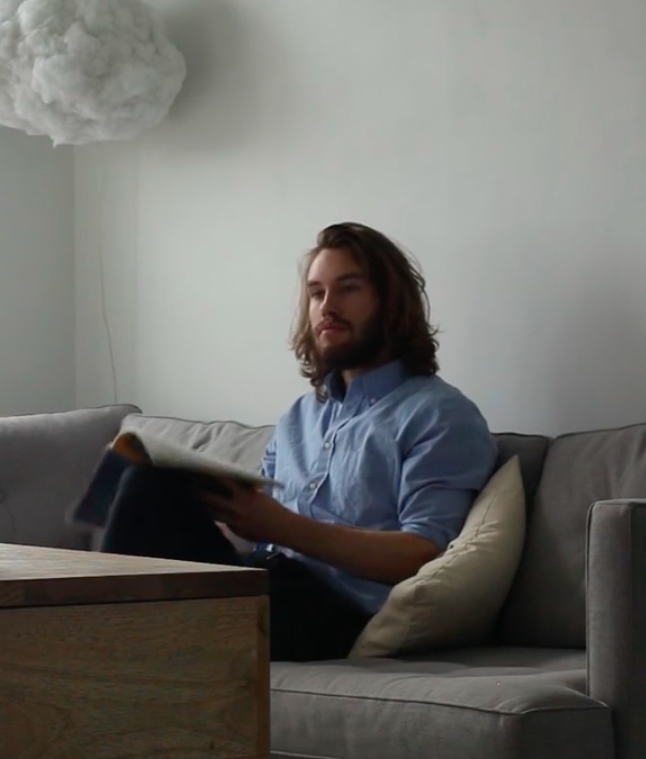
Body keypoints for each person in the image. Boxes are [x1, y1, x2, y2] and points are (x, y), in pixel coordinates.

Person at [94, 222, 498, 661]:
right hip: (264, 579)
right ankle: (96, 644)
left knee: (144, 491)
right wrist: (213, 505)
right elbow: (260, 532)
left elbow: (423, 554)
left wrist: (281, 526)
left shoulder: (439, 413)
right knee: (145, 480)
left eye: (348, 289)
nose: (328, 307)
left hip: (336, 610)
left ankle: (89, 646)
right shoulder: (300, 417)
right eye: (317, 293)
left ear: (390, 302)